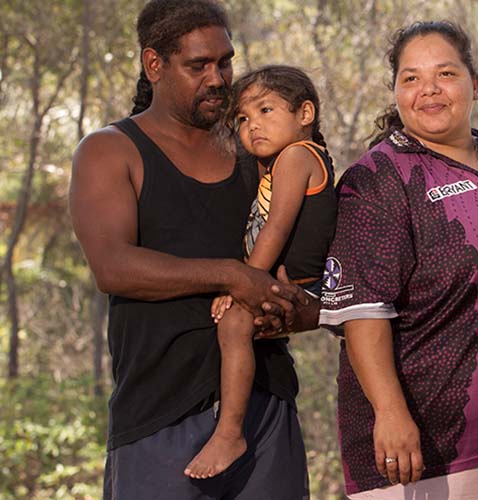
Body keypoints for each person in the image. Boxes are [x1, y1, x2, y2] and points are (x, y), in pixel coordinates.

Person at [69, 1, 309, 498]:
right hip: (158, 416)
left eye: (225, 62)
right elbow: (112, 267)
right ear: (153, 64)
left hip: (264, 409)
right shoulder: (110, 150)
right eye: (198, 65)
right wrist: (233, 275)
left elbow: (304, 274)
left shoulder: (256, 152)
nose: (219, 78)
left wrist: (293, 309)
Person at [316, 20, 478, 499]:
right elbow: (362, 310)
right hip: (424, 449)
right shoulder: (379, 179)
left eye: (445, 74)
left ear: (475, 84)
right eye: (411, 78)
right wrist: (390, 411)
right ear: (396, 92)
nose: (428, 89)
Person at [184, 65, 338, 479]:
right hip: (280, 282)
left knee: (233, 324)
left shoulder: (297, 157)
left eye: (266, 111)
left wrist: (241, 285)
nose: (253, 127)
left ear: (305, 113)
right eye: (244, 119)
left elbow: (276, 229)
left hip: (293, 284)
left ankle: (229, 432)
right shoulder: (277, 163)